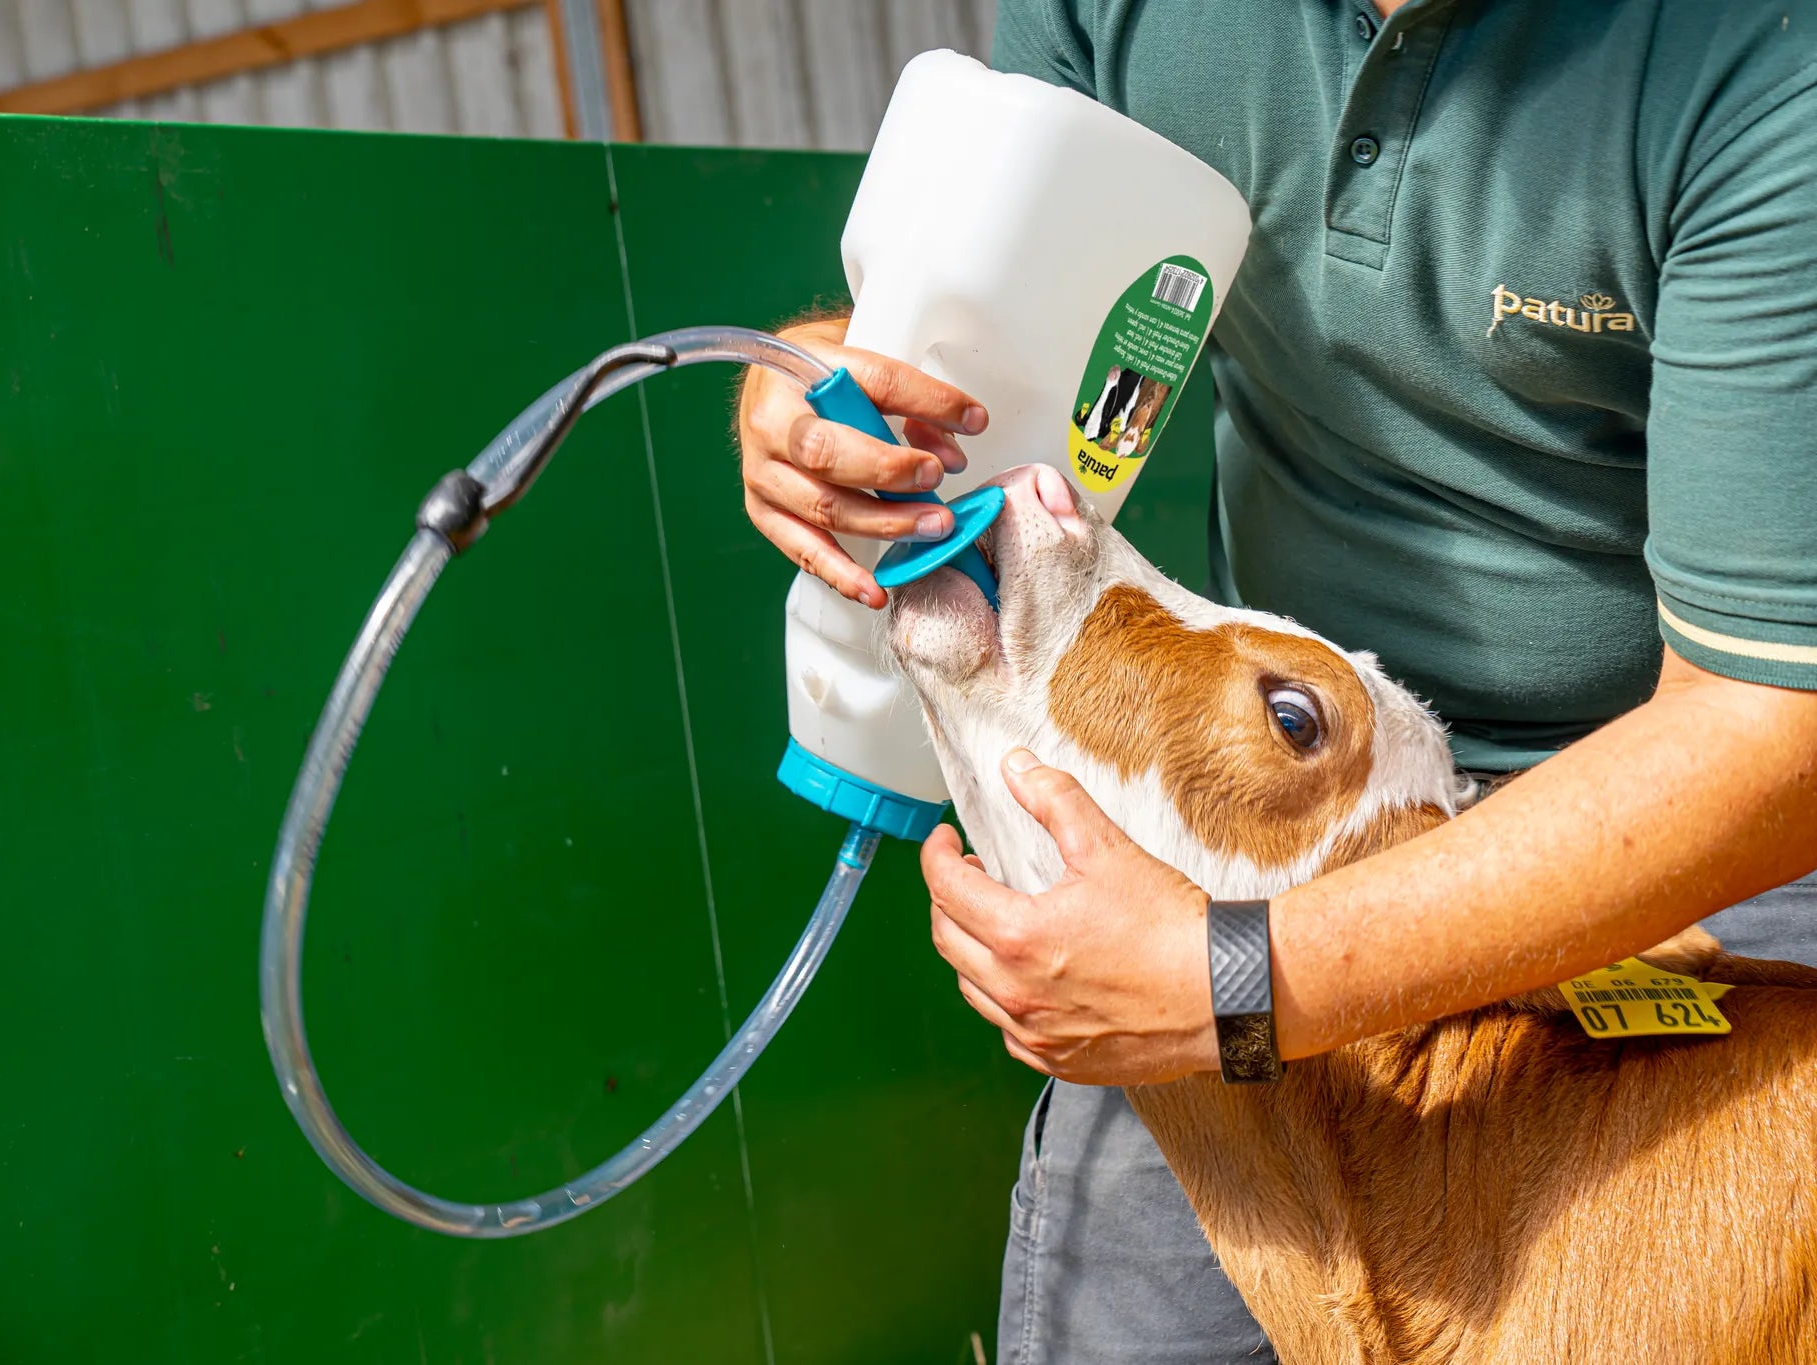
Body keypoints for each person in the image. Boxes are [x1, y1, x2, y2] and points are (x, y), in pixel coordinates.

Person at [737, 0, 1817, 1359]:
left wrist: (1237, 979)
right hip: (1281, 793)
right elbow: (965, 370)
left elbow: (1775, 727)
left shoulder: (1768, 62)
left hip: (1700, 815)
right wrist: (820, 398)